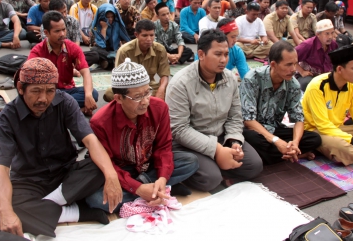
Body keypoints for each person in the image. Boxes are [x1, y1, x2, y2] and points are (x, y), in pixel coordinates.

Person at [0, 58, 122, 238]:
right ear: (20, 88)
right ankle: (76, 213)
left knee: (100, 167)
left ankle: (46, 206)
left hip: (65, 175)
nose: (43, 99)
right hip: (30, 180)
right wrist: (6, 213)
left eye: (50, 91)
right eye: (36, 91)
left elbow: (90, 140)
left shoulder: (65, 102)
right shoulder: (6, 118)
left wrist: (111, 174)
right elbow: (1, 168)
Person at [85, 59, 199, 213]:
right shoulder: (100, 122)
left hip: (149, 165)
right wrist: (138, 188)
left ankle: (155, 188)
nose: (145, 101)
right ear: (118, 98)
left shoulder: (159, 108)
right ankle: (160, 191)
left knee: (190, 161)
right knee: (96, 200)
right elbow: (110, 166)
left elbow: (164, 147)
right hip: (123, 171)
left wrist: (162, 178)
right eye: (138, 97)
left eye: (147, 92)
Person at [166, 29, 263, 192]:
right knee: (210, 179)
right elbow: (179, 130)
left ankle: (219, 163)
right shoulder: (180, 84)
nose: (224, 60)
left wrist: (234, 142)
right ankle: (213, 167)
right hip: (189, 143)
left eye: (226, 54)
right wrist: (217, 150)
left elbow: (234, 117)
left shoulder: (230, 78)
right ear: (201, 54)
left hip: (221, 136)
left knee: (254, 166)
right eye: (218, 54)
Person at [241, 41, 322, 165]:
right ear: (273, 64)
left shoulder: (293, 84)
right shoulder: (252, 79)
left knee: (314, 139)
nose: (294, 69)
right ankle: (292, 154)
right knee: (252, 139)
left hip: (275, 129)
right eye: (289, 65)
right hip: (255, 131)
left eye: (295, 64)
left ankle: (286, 153)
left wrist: (295, 142)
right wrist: (276, 141)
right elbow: (248, 121)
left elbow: (298, 119)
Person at [29, 12, 99, 116]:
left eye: (63, 29)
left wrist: (88, 95)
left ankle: (58, 112)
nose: (62, 34)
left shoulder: (71, 47)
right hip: (47, 93)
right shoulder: (37, 52)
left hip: (67, 91)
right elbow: (29, 81)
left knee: (93, 93)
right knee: (35, 100)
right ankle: (74, 111)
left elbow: (86, 72)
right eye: (57, 31)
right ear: (46, 33)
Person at [104, 20, 170, 102]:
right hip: (130, 87)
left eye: (152, 35)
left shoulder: (160, 49)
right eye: (145, 35)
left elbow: (165, 75)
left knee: (172, 89)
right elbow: (120, 81)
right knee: (110, 93)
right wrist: (137, 93)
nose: (149, 39)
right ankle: (147, 101)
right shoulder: (124, 51)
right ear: (136, 35)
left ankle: (145, 101)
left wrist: (161, 89)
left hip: (150, 86)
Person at [295, 19, 338, 91]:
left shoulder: (333, 44)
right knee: (308, 84)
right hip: (310, 75)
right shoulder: (308, 44)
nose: (330, 36)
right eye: (327, 34)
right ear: (318, 34)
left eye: (332, 33)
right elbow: (290, 58)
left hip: (325, 75)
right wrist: (302, 71)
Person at [86, 3, 132, 70]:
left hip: (114, 50)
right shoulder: (95, 26)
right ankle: (111, 60)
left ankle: (107, 61)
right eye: (107, 17)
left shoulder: (117, 24)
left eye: (112, 17)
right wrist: (104, 28)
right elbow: (99, 44)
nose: (110, 19)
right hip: (100, 50)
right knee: (95, 52)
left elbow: (126, 39)